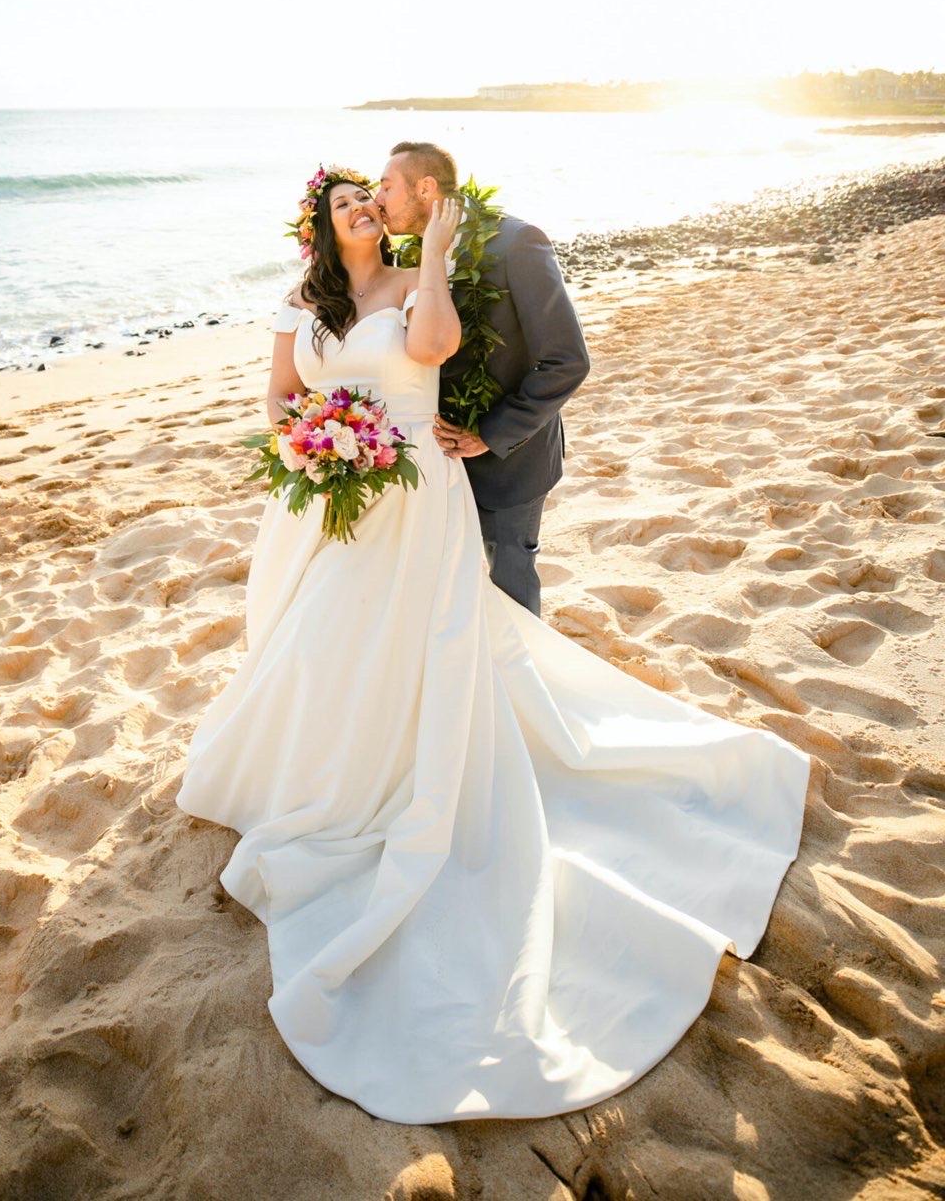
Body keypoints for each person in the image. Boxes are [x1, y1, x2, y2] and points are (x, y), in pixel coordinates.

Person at [176, 165, 810, 1126]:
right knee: (315, 640)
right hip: (327, 496)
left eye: (368, 198)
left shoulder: (412, 285)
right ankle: (318, 769)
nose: (360, 207)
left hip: (414, 489)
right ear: (319, 222)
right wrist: (311, 438)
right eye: (344, 201)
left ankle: (392, 773)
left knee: (406, 639)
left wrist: (429, 253)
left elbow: (431, 350)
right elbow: (275, 395)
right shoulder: (300, 303)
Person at [373, 141, 590, 617]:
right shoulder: (415, 261)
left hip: (509, 463)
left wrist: (488, 435)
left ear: (425, 188)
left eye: (387, 185)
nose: (377, 197)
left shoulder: (515, 243)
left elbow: (567, 360)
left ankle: (522, 688)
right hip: (435, 461)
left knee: (510, 588)